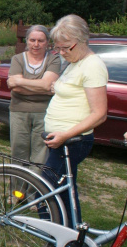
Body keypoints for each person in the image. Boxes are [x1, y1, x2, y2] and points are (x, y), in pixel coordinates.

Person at [42, 14, 108, 227]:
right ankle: (73, 245)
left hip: (72, 141)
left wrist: (65, 135)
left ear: (81, 41)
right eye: (57, 48)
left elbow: (100, 113)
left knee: (45, 194)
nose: (61, 53)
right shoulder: (74, 62)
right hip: (61, 140)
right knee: (65, 194)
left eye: (65, 48)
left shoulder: (92, 65)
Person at [6, 25, 61, 172]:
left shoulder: (53, 60)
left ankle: (34, 193)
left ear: (47, 42)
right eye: (32, 40)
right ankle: (17, 192)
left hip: (44, 113)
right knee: (18, 152)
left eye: (41, 41)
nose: (36, 44)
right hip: (19, 111)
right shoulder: (18, 59)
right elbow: (15, 88)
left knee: (40, 154)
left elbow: (46, 84)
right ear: (27, 41)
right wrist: (42, 86)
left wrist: (21, 81)